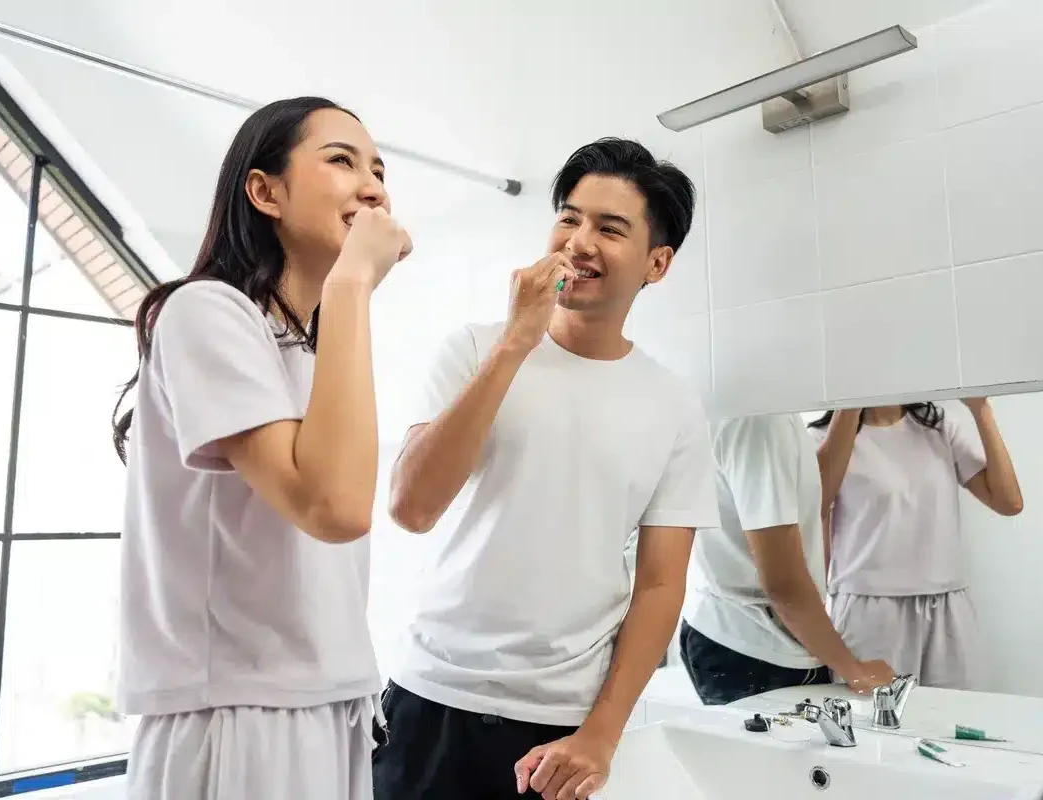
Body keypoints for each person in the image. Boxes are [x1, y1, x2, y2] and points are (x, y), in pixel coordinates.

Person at [375, 138, 721, 800]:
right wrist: (515, 344)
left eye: (609, 228)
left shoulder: (673, 407)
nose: (578, 241)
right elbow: (411, 507)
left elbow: (659, 586)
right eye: (569, 217)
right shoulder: (474, 348)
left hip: (557, 726)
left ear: (657, 262)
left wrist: (602, 734)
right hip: (427, 697)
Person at [110, 97, 412, 800]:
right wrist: (354, 285)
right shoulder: (206, 312)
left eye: (379, 169)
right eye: (341, 160)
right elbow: (335, 506)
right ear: (264, 191)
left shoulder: (315, 342)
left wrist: (345, 299)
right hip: (238, 718)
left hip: (329, 705)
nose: (373, 186)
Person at [681, 414, 895, 706]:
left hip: (737, 631)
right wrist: (853, 671)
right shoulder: (761, 422)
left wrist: (849, 411)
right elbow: (784, 585)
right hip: (756, 648)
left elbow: (803, 500)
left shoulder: (757, 411)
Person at [812, 400, 1023, 689]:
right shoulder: (822, 437)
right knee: (875, 726)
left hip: (948, 605)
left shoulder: (938, 425)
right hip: (869, 609)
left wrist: (981, 410)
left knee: (955, 724)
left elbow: (1008, 502)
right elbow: (814, 507)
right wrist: (848, 404)